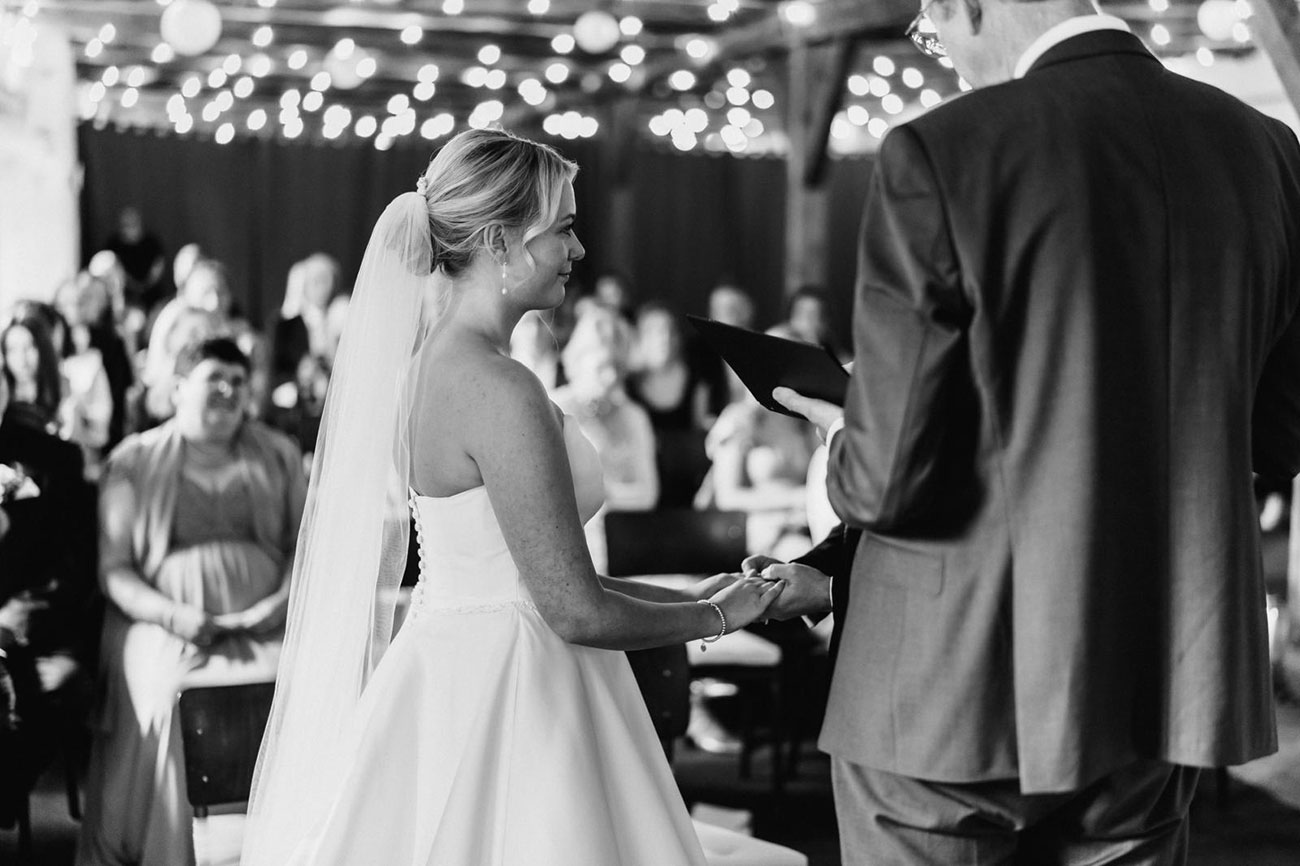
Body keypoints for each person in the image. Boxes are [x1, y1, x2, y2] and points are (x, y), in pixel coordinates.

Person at [766, 0, 1300, 862]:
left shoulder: (945, 149)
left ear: (966, 4)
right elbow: (1280, 438)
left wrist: (843, 431)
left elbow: (883, 483)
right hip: (1161, 670)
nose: (941, 52)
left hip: (948, 687)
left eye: (932, 30)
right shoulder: (1266, 150)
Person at [241, 128, 784, 866]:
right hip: (519, 691)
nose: (578, 249)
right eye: (562, 229)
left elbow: (523, 573)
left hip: (448, 669)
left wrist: (690, 595)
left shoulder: (425, 370)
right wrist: (717, 616)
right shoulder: (500, 389)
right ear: (500, 241)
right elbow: (572, 608)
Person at [77, 337, 306, 866]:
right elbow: (114, 570)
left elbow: (305, 545)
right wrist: (174, 615)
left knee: (312, 688)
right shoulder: (132, 462)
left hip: (268, 624)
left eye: (238, 380)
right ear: (179, 387)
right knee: (166, 698)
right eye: (214, 379)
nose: (228, 390)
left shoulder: (278, 452)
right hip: (163, 623)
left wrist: (280, 602)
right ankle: (164, 852)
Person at [553, 304, 659, 572]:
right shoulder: (554, 407)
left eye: (619, 368)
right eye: (603, 366)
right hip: (565, 541)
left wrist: (604, 494)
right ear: (579, 360)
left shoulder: (634, 416)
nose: (611, 377)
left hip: (624, 541)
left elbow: (648, 494)